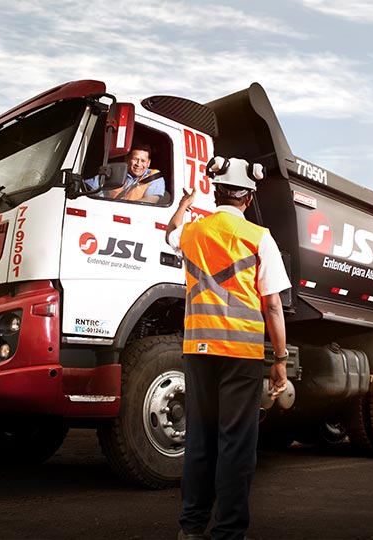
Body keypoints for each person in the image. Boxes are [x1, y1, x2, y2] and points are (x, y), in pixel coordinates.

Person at [165, 156, 291, 540]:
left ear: (215, 192)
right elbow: (271, 304)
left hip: (198, 351)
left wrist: (185, 205)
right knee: (235, 444)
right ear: (249, 199)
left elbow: (171, 232)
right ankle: (228, 531)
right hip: (241, 354)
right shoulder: (258, 237)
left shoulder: (193, 233)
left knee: (200, 440)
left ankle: (191, 526)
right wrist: (281, 361)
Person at [85, 143, 165, 203]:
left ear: (148, 163)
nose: (138, 164)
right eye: (135, 159)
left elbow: (151, 200)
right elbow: (88, 187)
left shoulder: (154, 177)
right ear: (127, 159)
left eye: (143, 161)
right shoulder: (114, 171)